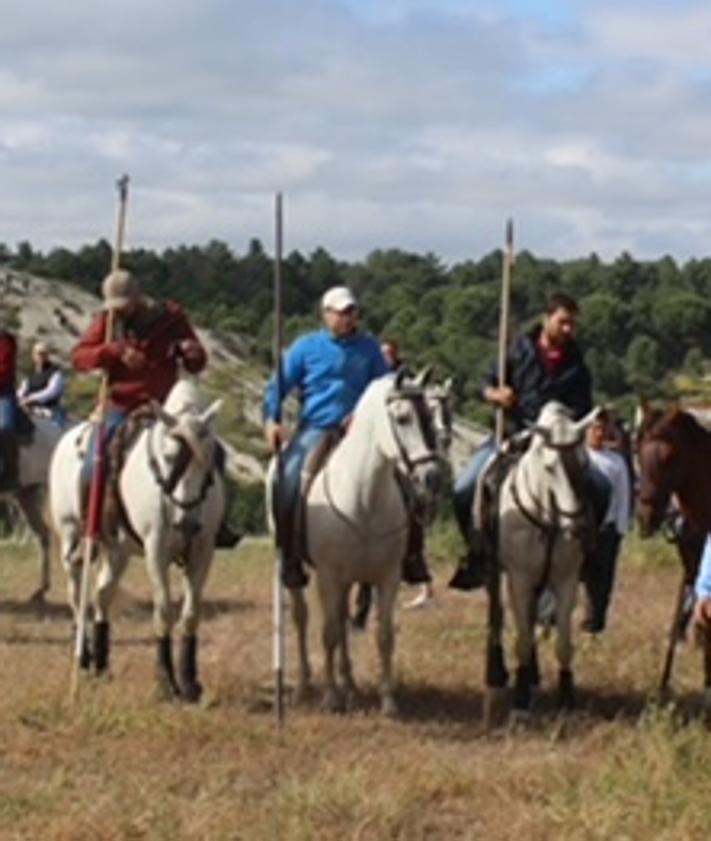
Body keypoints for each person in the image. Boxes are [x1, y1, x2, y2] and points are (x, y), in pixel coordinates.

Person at [264, 286, 430, 589]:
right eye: (341, 312)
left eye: (352, 312)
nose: (348, 318)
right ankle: (290, 555)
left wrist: (365, 415)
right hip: (316, 427)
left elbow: (386, 388)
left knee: (409, 482)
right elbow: (278, 386)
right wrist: (272, 420)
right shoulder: (305, 348)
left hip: (361, 431)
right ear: (326, 314)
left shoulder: (369, 348)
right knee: (287, 477)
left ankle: (412, 554)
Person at [72, 268, 239, 548]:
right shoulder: (108, 321)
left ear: (137, 298)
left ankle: (217, 523)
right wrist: (113, 351)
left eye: (124, 306)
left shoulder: (171, 318)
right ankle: (92, 528)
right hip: (121, 404)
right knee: (94, 461)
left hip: (166, 407)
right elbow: (79, 357)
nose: (120, 312)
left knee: (216, 452)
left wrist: (192, 353)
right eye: (115, 307)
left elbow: (197, 360)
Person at [450, 291, 600, 591]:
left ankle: (589, 554)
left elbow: (584, 405)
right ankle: (477, 553)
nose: (568, 329)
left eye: (573, 324)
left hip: (558, 444)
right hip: (513, 435)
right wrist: (496, 395)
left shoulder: (577, 361)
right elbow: (485, 384)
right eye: (563, 322)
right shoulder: (518, 350)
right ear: (546, 319)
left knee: (600, 486)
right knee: (464, 489)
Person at [580, 411, 632, 633]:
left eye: (603, 429)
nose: (599, 434)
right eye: (595, 429)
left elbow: (623, 495)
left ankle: (594, 623)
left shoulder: (616, 461)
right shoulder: (578, 458)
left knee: (602, 581)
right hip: (578, 529)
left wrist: (620, 527)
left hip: (606, 530)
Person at [17, 341, 67, 427]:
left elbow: (51, 392)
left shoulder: (55, 373)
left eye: (43, 354)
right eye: (38, 353)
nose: (40, 356)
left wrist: (30, 399)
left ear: (47, 356)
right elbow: (21, 390)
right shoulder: (31, 375)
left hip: (48, 408)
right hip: (28, 406)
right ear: (33, 355)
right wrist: (21, 398)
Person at [0, 328, 19, 491]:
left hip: (3, 394)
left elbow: (4, 371)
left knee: (5, 427)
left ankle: (10, 472)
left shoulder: (5, 340)